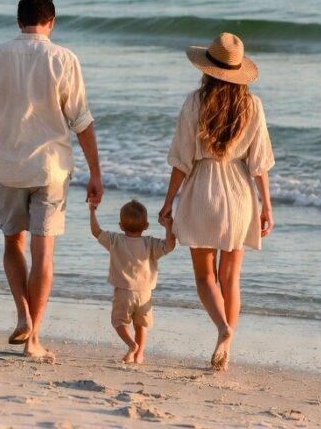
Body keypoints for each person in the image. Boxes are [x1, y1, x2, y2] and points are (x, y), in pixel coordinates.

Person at [0, 0, 103, 360]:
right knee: (44, 254)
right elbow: (82, 122)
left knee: (14, 245)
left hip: (7, 167)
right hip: (51, 170)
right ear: (52, 22)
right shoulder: (64, 59)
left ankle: (22, 315)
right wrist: (95, 173)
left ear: (19, 22)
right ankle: (34, 339)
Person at [157, 32, 274, 372]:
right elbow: (260, 162)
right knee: (230, 278)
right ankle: (228, 340)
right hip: (239, 193)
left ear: (207, 68)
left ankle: (221, 327)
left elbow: (181, 159)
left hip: (202, 190)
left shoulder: (195, 102)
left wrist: (168, 203)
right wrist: (267, 205)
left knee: (204, 277)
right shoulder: (253, 105)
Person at [89, 198, 175, 364]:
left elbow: (96, 232)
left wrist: (92, 211)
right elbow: (170, 245)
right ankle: (139, 354)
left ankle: (131, 345)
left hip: (123, 291)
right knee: (141, 325)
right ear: (146, 226)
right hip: (145, 293)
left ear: (121, 226)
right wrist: (168, 226)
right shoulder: (150, 243)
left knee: (119, 322)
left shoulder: (115, 240)